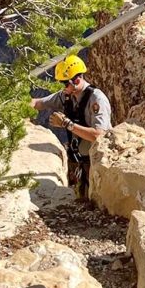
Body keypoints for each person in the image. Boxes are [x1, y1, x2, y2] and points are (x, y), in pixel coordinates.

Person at [31, 54, 112, 200]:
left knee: (94, 200)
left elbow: (99, 135)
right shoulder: (68, 96)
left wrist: (67, 124)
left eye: (65, 83)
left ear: (76, 79)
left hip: (97, 161)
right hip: (79, 158)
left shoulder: (96, 99)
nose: (63, 88)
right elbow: (40, 103)